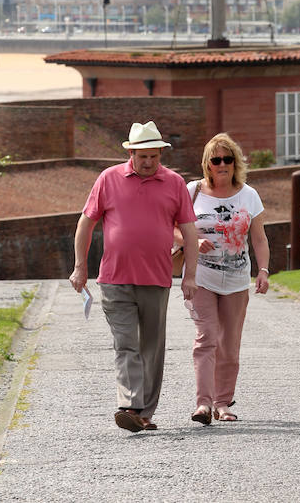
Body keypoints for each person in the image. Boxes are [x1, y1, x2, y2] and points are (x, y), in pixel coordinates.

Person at [69, 120, 198, 433]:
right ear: (131, 152)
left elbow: (190, 233)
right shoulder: (108, 179)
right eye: (143, 156)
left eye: (154, 156)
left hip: (156, 278)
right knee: (126, 343)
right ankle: (128, 404)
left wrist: (189, 276)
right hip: (114, 279)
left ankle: (144, 413)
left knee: (152, 347)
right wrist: (80, 267)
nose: (149, 162)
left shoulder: (174, 183)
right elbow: (86, 224)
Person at [180, 132, 270, 425]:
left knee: (229, 345)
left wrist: (264, 271)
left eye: (228, 159)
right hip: (200, 277)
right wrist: (191, 240)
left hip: (235, 280)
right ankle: (203, 404)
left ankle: (223, 403)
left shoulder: (249, 195)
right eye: (216, 159)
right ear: (207, 163)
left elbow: (259, 239)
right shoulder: (192, 190)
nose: (222, 164)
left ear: (235, 163)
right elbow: (170, 224)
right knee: (205, 339)